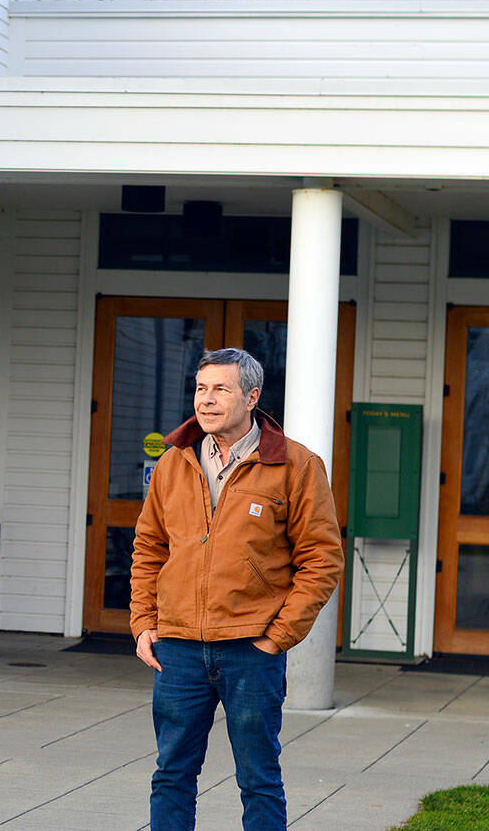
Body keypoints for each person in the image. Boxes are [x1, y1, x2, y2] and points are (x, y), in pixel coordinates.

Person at [131, 347, 343, 831]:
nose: (206, 400)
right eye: (201, 389)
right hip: (179, 648)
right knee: (171, 775)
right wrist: (144, 623)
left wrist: (278, 636)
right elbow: (148, 548)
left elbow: (321, 559)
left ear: (252, 396)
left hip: (251, 648)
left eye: (220, 389)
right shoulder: (173, 462)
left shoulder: (296, 465)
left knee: (259, 778)